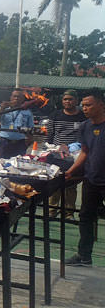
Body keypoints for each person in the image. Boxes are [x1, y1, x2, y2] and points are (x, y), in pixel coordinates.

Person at [64, 89, 105, 267]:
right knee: (86, 217)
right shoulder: (85, 126)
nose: (85, 108)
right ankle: (84, 256)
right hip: (91, 179)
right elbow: (85, 152)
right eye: (83, 105)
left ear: (101, 105)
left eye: (88, 105)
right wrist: (71, 170)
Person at [47, 89, 86, 218]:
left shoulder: (83, 116)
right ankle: (52, 211)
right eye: (65, 99)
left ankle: (69, 213)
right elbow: (50, 135)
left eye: (70, 99)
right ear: (62, 101)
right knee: (55, 183)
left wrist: (75, 149)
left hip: (75, 155)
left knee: (71, 185)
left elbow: (85, 136)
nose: (68, 101)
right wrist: (49, 149)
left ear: (76, 100)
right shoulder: (55, 115)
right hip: (57, 155)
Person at [0, 88, 34, 159]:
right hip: (5, 142)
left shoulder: (27, 112)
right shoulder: (4, 109)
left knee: (17, 165)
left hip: (20, 143)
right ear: (11, 97)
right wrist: (2, 107)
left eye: (19, 97)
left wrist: (28, 142)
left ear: (22, 99)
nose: (16, 98)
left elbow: (30, 129)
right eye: (14, 96)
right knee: (0, 164)